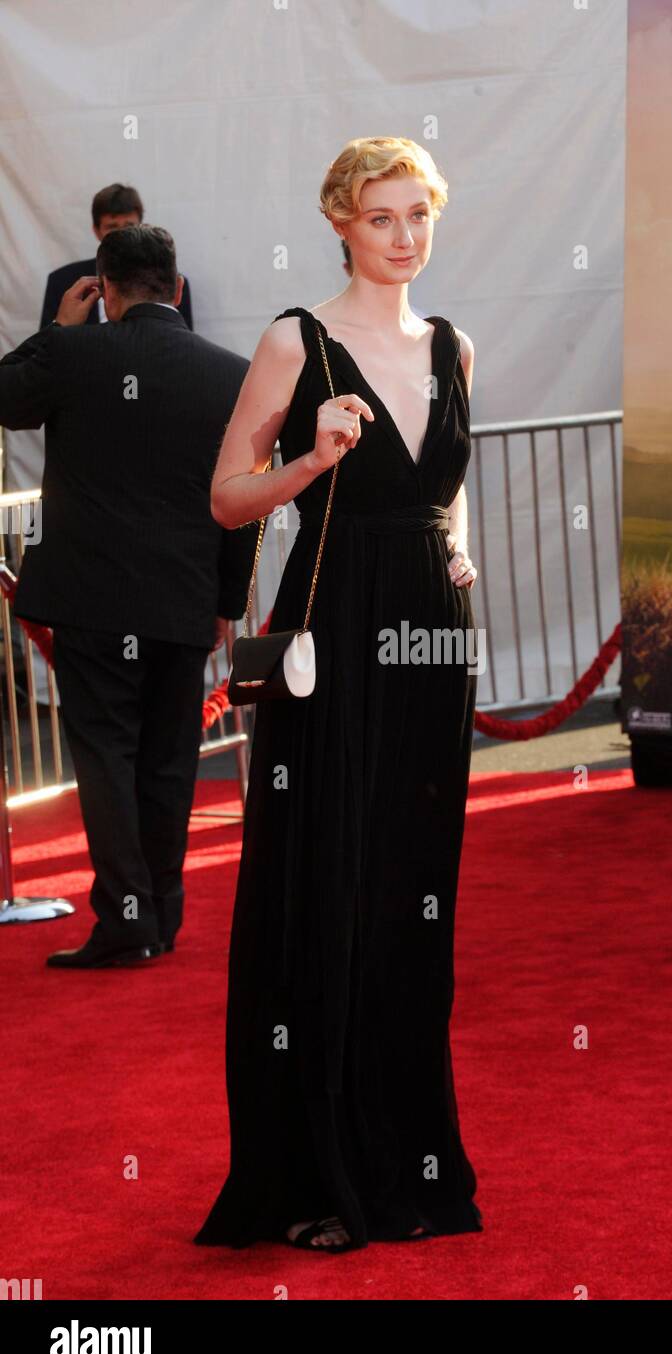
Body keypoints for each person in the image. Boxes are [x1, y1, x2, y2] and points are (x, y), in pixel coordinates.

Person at [193, 136, 481, 1253]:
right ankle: (314, 1172)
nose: (404, 237)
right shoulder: (295, 342)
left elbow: (446, 503)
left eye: (420, 216)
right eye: (381, 217)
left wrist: (459, 559)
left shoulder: (454, 345)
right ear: (340, 223)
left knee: (415, 893)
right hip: (333, 638)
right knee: (327, 884)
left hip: (430, 643)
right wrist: (310, 462)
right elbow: (226, 498)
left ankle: (407, 1155)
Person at [0, 224, 256, 967]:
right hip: (183, 600)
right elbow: (246, 502)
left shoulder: (74, 353)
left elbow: (5, 397)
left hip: (91, 601)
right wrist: (227, 603)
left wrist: (55, 331)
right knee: (171, 761)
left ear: (103, 291)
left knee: (107, 758)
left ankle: (127, 920)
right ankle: (161, 919)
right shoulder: (230, 374)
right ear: (176, 287)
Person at [39, 183, 194, 330]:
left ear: (141, 225)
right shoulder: (61, 282)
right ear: (96, 230)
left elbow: (184, 346)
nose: (121, 235)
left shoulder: (168, 282)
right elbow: (45, 353)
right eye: (112, 227)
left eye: (129, 226)